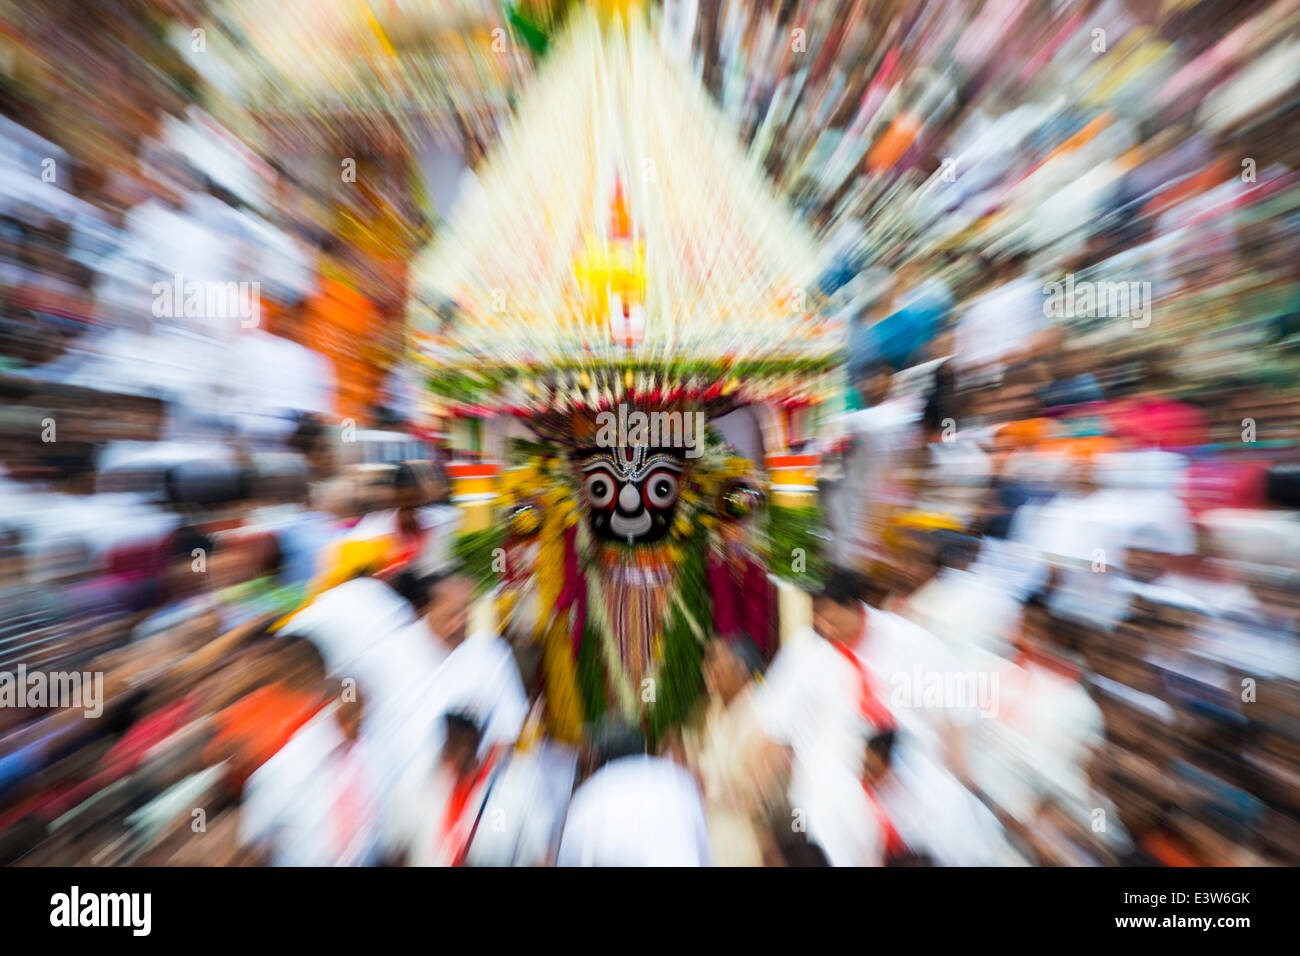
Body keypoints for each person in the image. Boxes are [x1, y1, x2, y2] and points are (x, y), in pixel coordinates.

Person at [556, 723, 711, 866]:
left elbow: (570, 858)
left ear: (597, 760)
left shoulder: (586, 799)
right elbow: (703, 846)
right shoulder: (678, 781)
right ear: (643, 749)